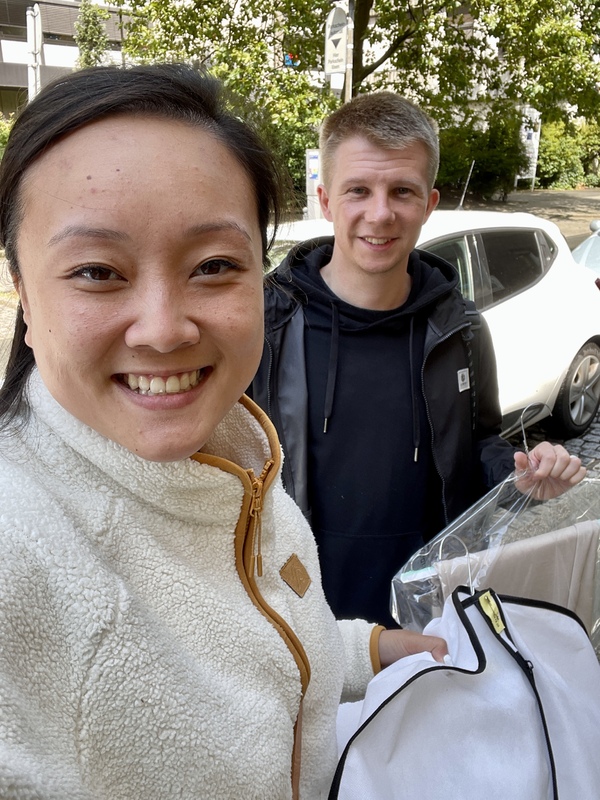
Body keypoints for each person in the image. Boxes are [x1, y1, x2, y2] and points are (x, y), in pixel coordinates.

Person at [0, 66, 447, 799]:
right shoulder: (18, 546)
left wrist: (369, 648)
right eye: (97, 272)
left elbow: (242, 639)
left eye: (212, 265)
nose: (164, 329)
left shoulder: (237, 454)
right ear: (23, 292)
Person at [249, 91, 586, 628]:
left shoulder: (461, 329)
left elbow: (478, 443)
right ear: (326, 201)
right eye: (358, 190)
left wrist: (518, 477)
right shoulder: (265, 323)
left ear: (428, 205)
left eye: (401, 191)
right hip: (296, 610)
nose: (380, 213)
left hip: (425, 610)